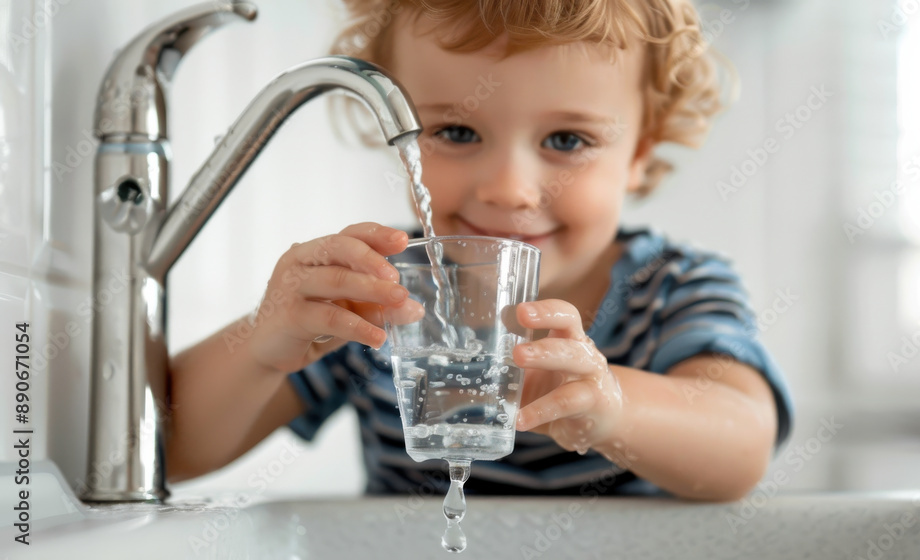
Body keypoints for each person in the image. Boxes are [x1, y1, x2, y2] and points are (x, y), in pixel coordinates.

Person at [167, 0, 793, 501]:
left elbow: (742, 447)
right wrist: (261, 346)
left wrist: (615, 405)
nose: (508, 190)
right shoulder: (381, 293)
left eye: (567, 140)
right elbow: (173, 451)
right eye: (458, 131)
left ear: (640, 155)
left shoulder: (671, 289)